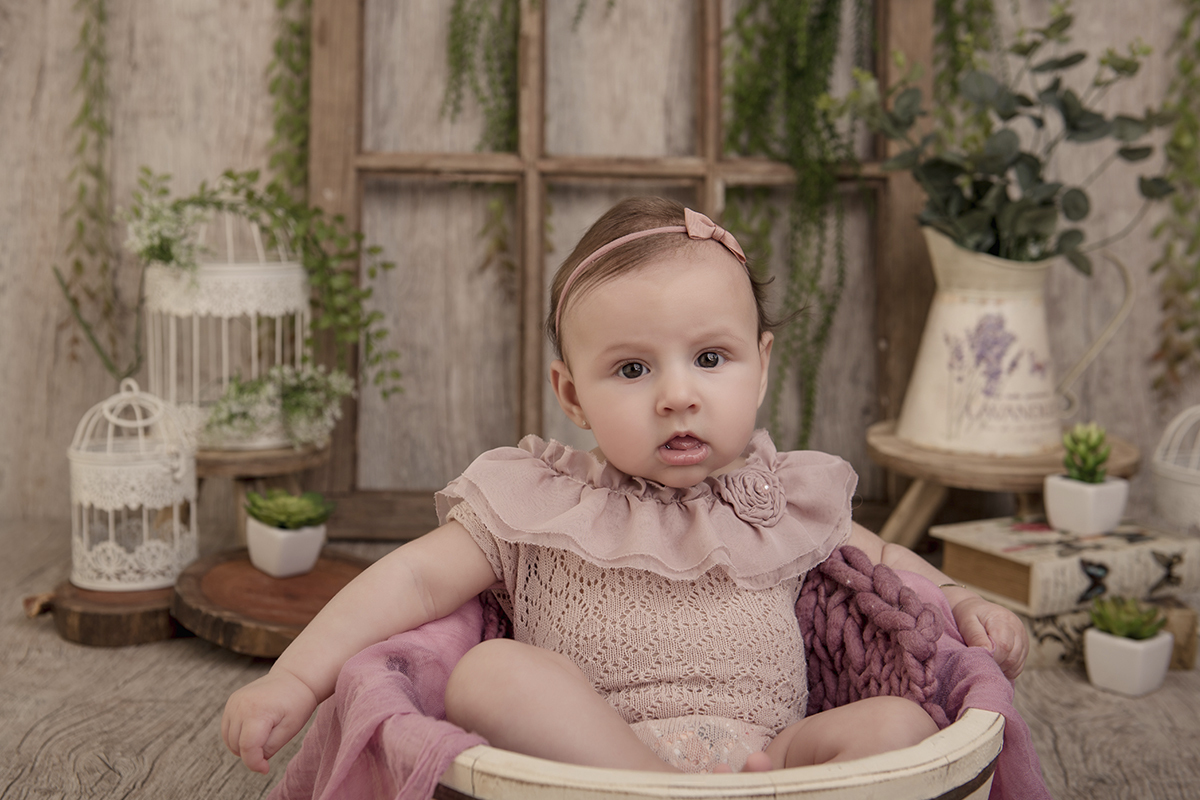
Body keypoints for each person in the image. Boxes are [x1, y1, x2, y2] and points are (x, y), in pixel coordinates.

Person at [223, 196, 1029, 776]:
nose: (677, 394)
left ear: (763, 366)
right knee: (488, 675)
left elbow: (883, 560)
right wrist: (295, 676)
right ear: (571, 394)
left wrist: (959, 598)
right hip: (600, 767)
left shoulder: (780, 500)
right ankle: (654, 793)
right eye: (633, 368)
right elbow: (412, 576)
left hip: (769, 763)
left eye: (710, 359)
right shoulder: (541, 502)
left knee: (900, 723)